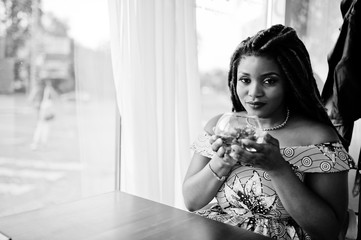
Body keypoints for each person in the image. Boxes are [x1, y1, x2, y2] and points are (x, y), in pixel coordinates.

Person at [182, 24, 355, 240]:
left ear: (290, 82)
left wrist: (277, 167)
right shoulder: (221, 126)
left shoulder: (319, 139)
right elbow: (191, 202)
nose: (254, 93)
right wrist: (222, 161)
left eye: (269, 81)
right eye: (245, 80)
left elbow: (330, 232)